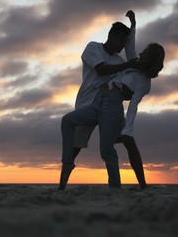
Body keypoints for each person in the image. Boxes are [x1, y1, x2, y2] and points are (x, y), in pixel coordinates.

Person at [59, 10, 141, 191]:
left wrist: (133, 28)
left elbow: (127, 78)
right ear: (113, 36)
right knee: (75, 147)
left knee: (127, 141)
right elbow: (101, 70)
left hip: (109, 107)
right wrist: (128, 65)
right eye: (122, 41)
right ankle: (62, 186)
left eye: (125, 43)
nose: (122, 46)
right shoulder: (93, 48)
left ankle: (141, 184)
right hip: (88, 103)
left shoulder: (119, 59)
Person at [72, 42, 165, 190]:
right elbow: (130, 47)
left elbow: (134, 105)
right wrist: (133, 26)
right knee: (77, 143)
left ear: (149, 60)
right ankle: (64, 180)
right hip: (97, 99)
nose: (140, 54)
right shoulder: (134, 65)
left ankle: (138, 184)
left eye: (145, 54)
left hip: (112, 104)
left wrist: (128, 129)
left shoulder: (144, 83)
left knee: (118, 146)